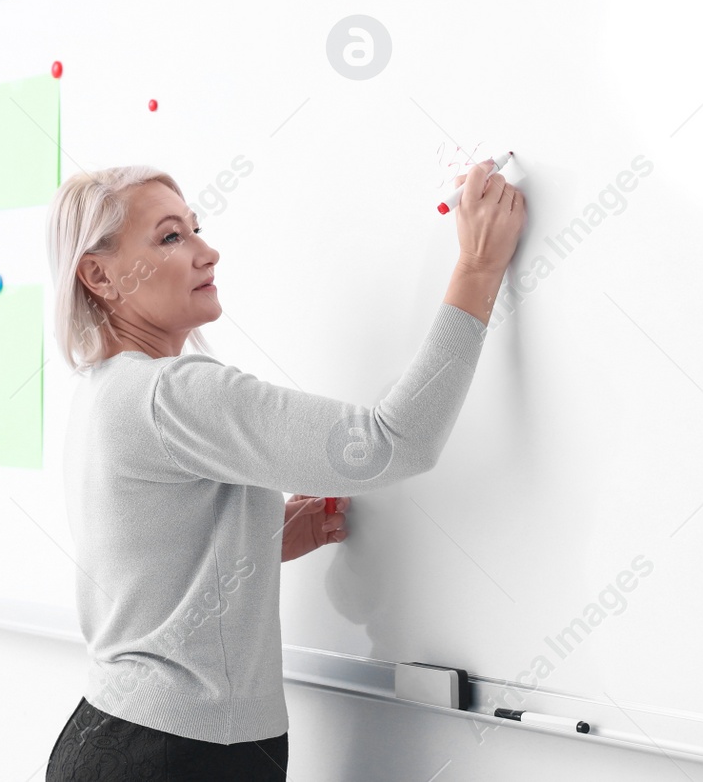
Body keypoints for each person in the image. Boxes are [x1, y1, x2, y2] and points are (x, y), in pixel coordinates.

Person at [42, 159, 525, 780]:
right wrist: (479, 268)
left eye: (195, 228)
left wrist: (260, 533)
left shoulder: (107, 390)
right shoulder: (172, 393)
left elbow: (149, 559)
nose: (207, 251)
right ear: (99, 275)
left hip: (119, 735)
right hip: (179, 752)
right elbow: (392, 442)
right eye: (170, 237)